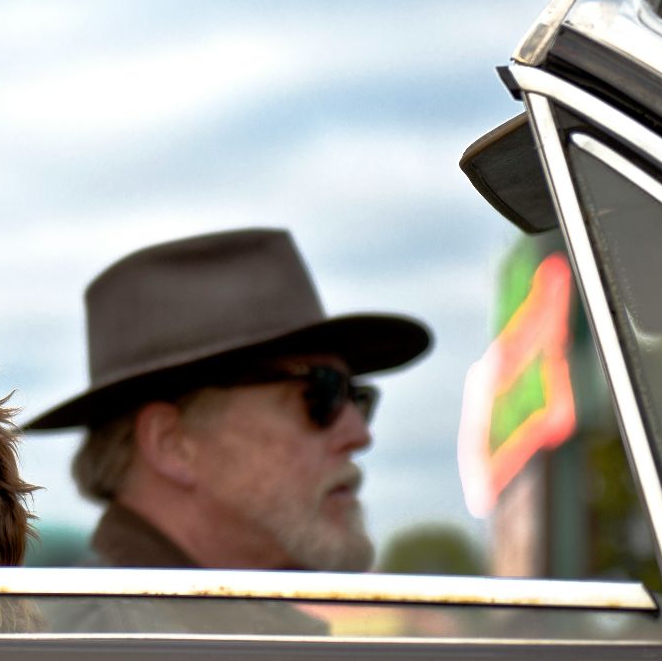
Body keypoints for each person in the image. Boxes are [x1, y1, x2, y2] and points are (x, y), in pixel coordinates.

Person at [22, 228, 431, 634]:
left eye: (357, 398)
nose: (359, 433)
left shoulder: (227, 646)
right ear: (172, 445)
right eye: (320, 393)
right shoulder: (83, 660)